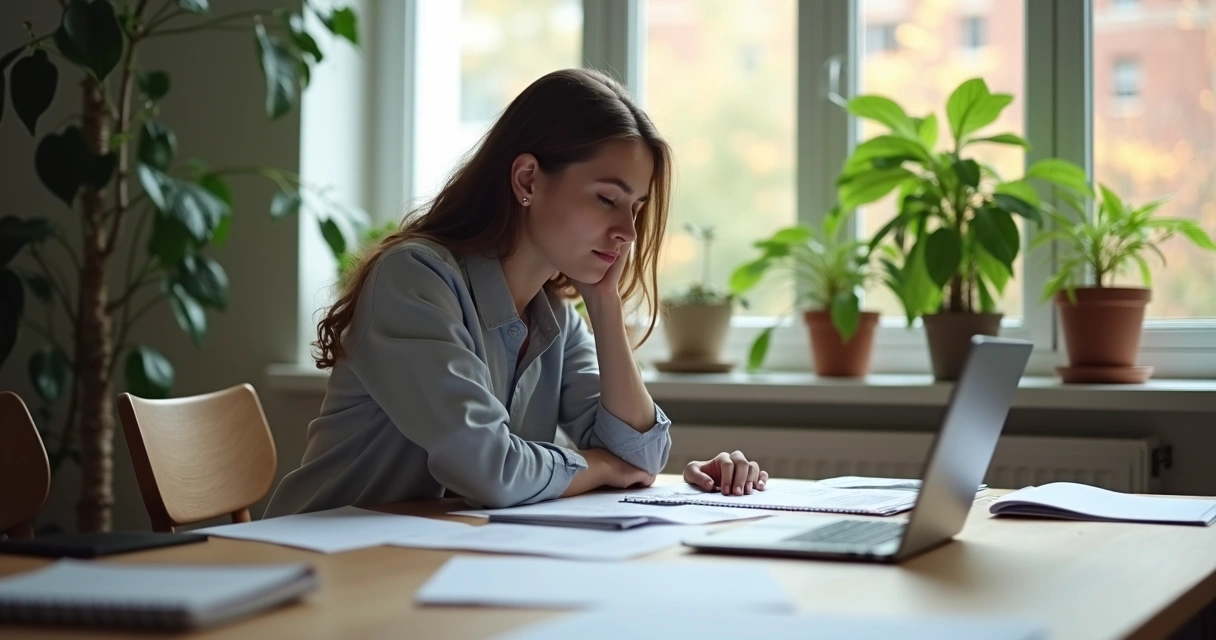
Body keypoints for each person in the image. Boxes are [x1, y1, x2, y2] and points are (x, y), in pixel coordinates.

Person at [264, 69, 769, 517]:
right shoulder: (414, 279)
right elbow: (490, 470)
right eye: (606, 199)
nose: (628, 232)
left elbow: (637, 459)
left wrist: (605, 304)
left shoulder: (558, 318)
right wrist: (594, 465)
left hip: (437, 562)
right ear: (528, 178)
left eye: (634, 208)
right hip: (320, 570)